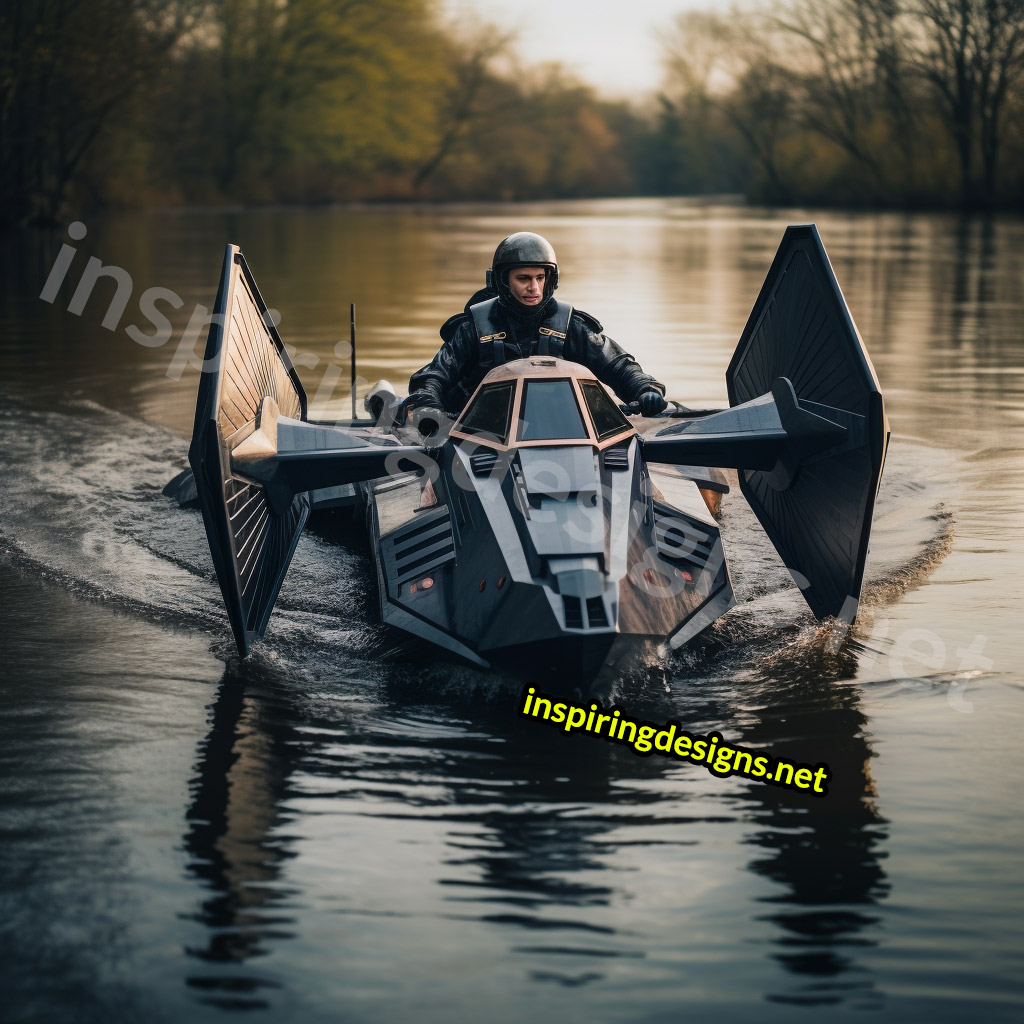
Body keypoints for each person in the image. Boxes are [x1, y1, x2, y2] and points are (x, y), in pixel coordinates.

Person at [404, 232, 667, 435]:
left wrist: (644, 388)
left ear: (550, 279)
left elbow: (618, 365)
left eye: (540, 278)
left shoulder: (569, 325)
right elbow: (432, 378)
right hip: (481, 437)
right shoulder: (472, 328)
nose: (534, 288)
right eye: (524, 278)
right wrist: (429, 408)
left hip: (564, 434)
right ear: (503, 281)